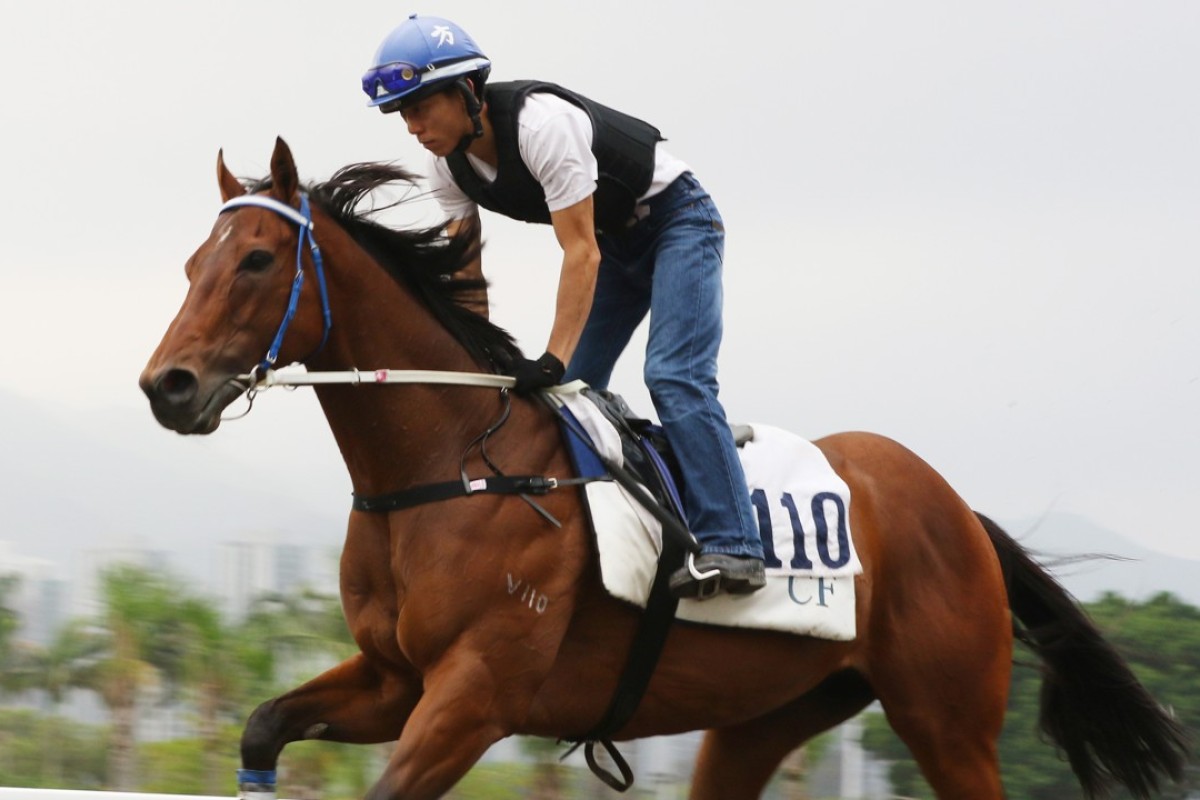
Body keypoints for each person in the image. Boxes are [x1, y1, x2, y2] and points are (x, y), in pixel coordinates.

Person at [361, 14, 765, 599]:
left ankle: (735, 546)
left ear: (467, 91)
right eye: (401, 113)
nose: (412, 127)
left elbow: (581, 252)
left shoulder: (542, 125)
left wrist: (549, 356)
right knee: (568, 399)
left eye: (420, 106)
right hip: (613, 245)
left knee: (673, 376)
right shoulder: (446, 167)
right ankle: (643, 506)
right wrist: (477, 367)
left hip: (677, 222)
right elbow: (466, 278)